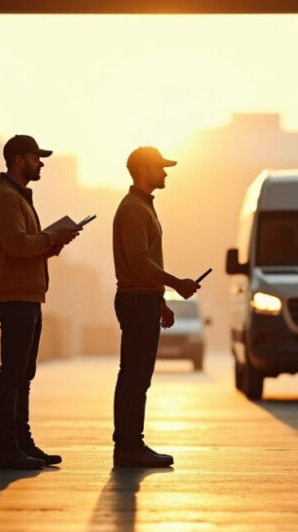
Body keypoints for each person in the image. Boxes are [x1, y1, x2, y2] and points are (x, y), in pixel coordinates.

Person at [0, 134, 80, 470]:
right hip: (15, 297)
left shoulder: (20, 199)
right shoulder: (5, 199)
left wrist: (53, 244)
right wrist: (50, 238)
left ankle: (22, 441)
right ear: (19, 160)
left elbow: (27, 247)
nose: (41, 163)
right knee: (12, 373)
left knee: (24, 373)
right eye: (36, 157)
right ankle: (6, 446)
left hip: (29, 295)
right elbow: (16, 245)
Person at [111, 146, 200, 468]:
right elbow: (138, 261)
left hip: (142, 299)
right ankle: (130, 448)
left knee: (134, 376)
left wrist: (160, 299)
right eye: (160, 167)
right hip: (136, 301)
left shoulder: (142, 207)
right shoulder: (135, 209)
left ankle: (128, 446)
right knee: (135, 376)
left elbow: (142, 263)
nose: (165, 173)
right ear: (144, 169)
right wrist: (177, 284)